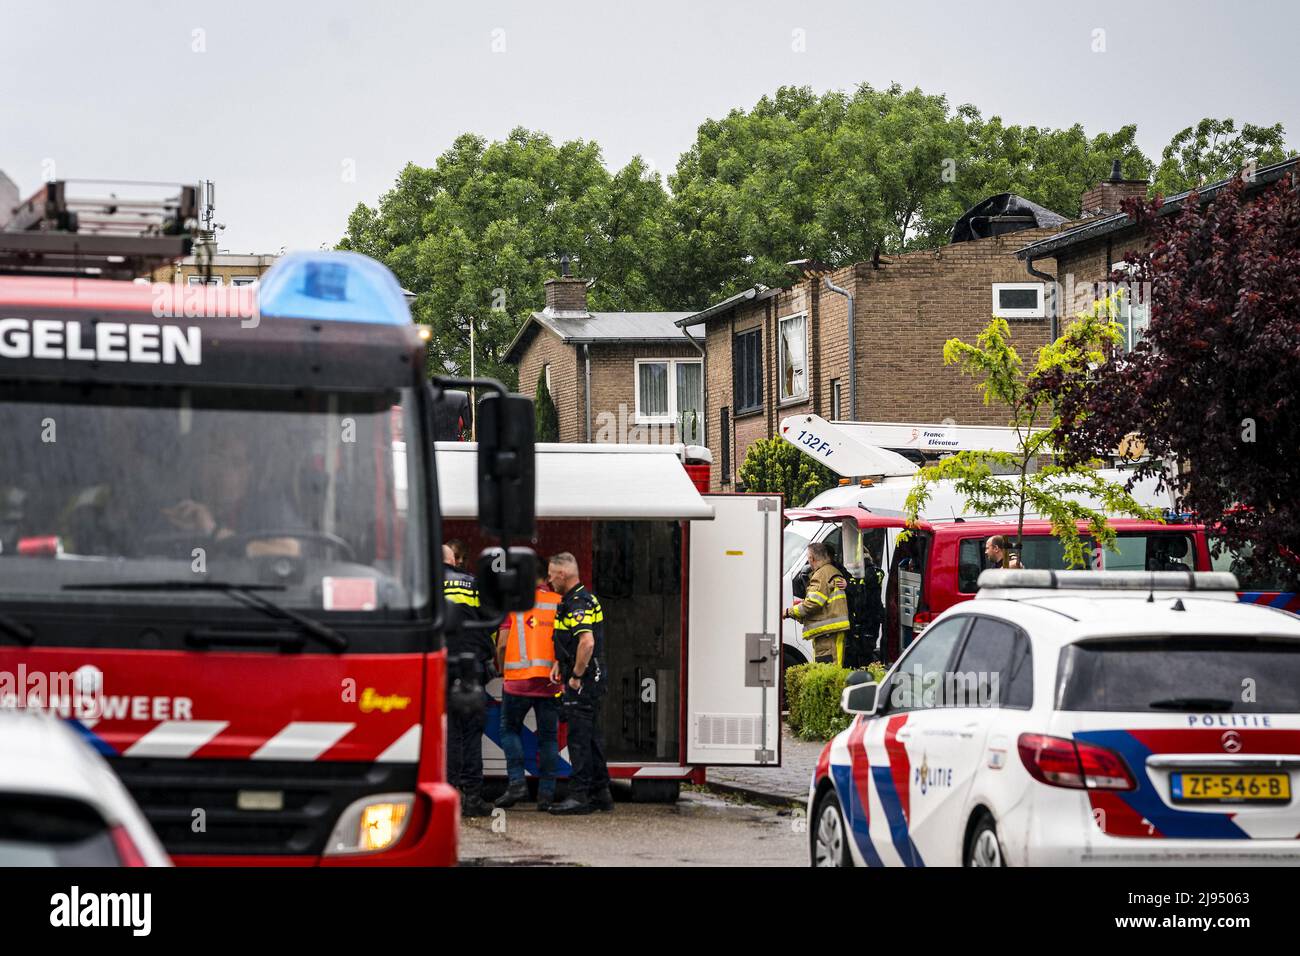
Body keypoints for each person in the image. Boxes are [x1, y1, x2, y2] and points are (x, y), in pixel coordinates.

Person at [545, 552, 613, 816]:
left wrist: (575, 675)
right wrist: (557, 663)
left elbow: (587, 642)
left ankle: (579, 795)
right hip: (590, 676)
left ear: (562, 574)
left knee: (579, 739)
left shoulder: (578, 602)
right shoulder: (581, 598)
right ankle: (601, 793)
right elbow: (570, 640)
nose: (549, 580)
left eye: (551, 575)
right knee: (593, 737)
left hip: (584, 680)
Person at [161, 431, 301, 558]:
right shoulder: (179, 507)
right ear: (200, 464)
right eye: (216, 459)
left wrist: (214, 532)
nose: (224, 472)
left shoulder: (268, 510)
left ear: (249, 471)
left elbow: (290, 553)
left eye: (236, 463)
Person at [493, 573, 563, 811]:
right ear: (546, 577)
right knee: (548, 738)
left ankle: (517, 783)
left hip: (517, 681)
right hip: (549, 682)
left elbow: (502, 643)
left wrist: (501, 670)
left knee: (509, 730)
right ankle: (546, 795)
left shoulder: (514, 602)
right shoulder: (559, 602)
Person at [442, 543, 494, 818]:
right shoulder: (473, 583)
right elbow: (494, 619)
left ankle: (449, 793)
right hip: (471, 666)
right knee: (472, 732)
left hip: (438, 666)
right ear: (455, 561)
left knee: (448, 731)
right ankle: (472, 797)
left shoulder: (425, 585)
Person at [784, 542, 851, 665]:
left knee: (828, 670)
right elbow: (822, 602)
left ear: (812, 558)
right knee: (832, 667)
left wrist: (788, 612)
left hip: (828, 633)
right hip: (830, 631)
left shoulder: (821, 575)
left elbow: (813, 604)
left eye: (808, 558)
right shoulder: (831, 571)